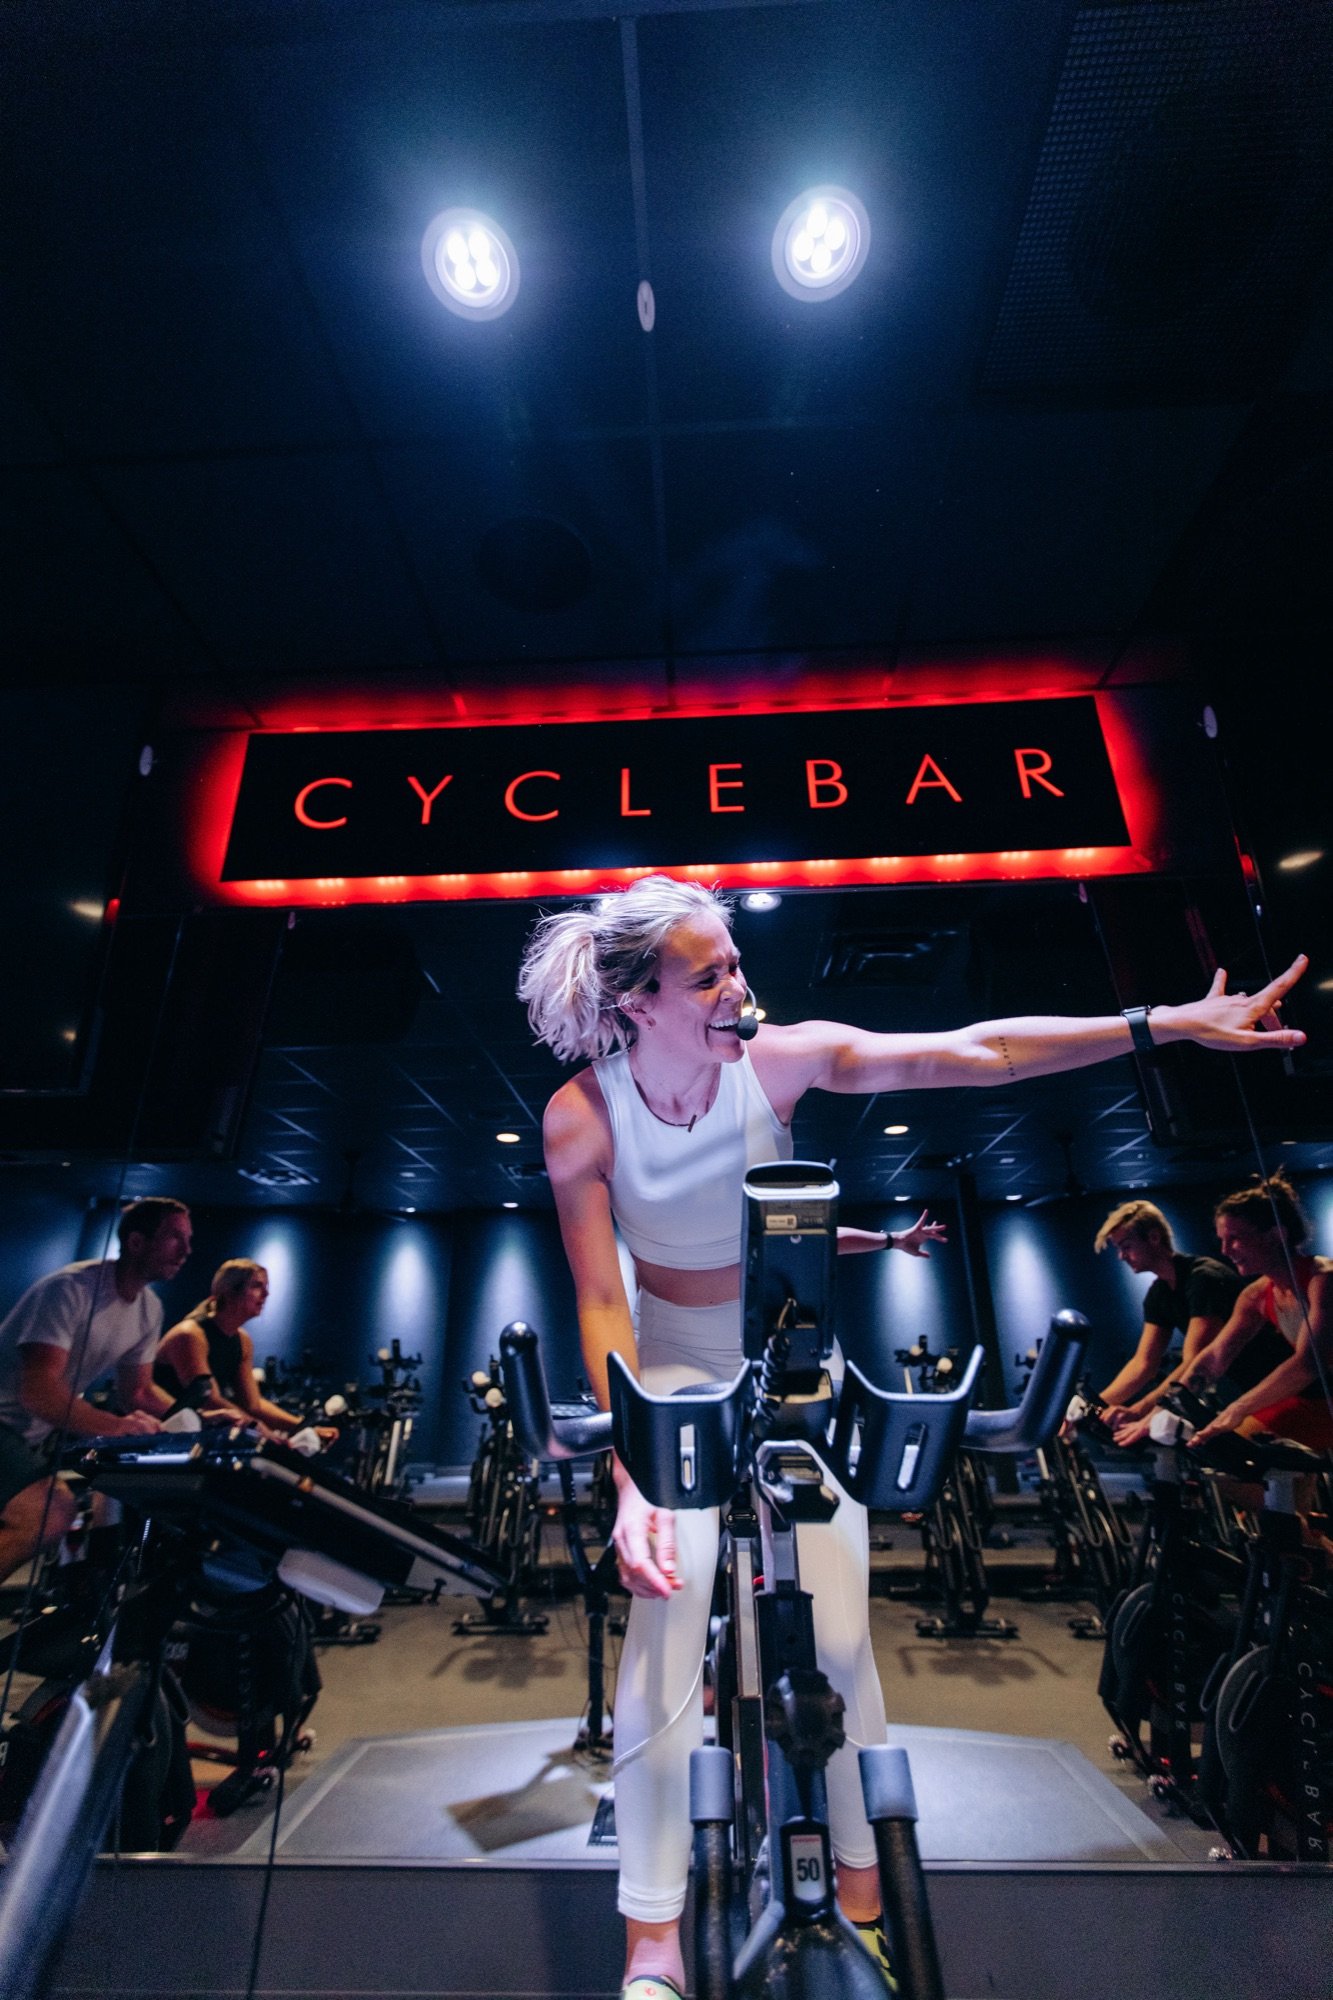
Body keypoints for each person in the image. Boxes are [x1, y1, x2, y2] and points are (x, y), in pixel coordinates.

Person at [517, 876, 1305, 2000]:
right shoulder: (581, 1115)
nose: (738, 986)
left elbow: (975, 1051)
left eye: (735, 962)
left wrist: (1163, 1023)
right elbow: (604, 1300)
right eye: (708, 976)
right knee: (665, 1630)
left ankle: (862, 1901)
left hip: (787, 1349)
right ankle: (653, 1943)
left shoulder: (775, 1061)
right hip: (672, 1359)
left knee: (839, 1638)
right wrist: (633, 1469)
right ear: (639, 1001)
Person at [0, 1197, 192, 1582]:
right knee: (49, 1515)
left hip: (25, 1436)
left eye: (188, 1240)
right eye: (175, 1238)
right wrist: (117, 1427)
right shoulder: (70, 1290)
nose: (186, 1251)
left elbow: (138, 1392)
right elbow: (38, 1391)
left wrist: (201, 1421)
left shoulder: (149, 1309)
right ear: (136, 1242)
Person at [1186, 1173, 1333, 1452]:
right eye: (1222, 1240)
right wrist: (1159, 1410)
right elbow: (1215, 1357)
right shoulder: (1255, 1295)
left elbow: (1308, 1364)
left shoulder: (1323, 1280)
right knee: (1229, 1449)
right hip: (1321, 1402)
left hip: (1321, 1402)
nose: (1225, 1250)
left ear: (1276, 1235)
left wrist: (1238, 1408)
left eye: (1235, 1238)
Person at [1089, 1200, 1246, 1446]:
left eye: (1126, 1246)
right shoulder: (1158, 1293)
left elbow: (1195, 1362)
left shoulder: (1203, 1278)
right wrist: (1093, 1408)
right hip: (1244, 1392)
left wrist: (1142, 1413)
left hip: (1270, 1386)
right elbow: (1143, 1364)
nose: (1121, 1256)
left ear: (1154, 1237)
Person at [154, 1259, 315, 1437]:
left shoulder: (243, 1341)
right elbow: (209, 1401)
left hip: (189, 1433)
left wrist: (303, 1427)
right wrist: (259, 1429)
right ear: (229, 1292)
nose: (266, 1294)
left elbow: (253, 1405)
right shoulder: (190, 1335)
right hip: (156, 1434)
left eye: (266, 1287)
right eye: (257, 1286)